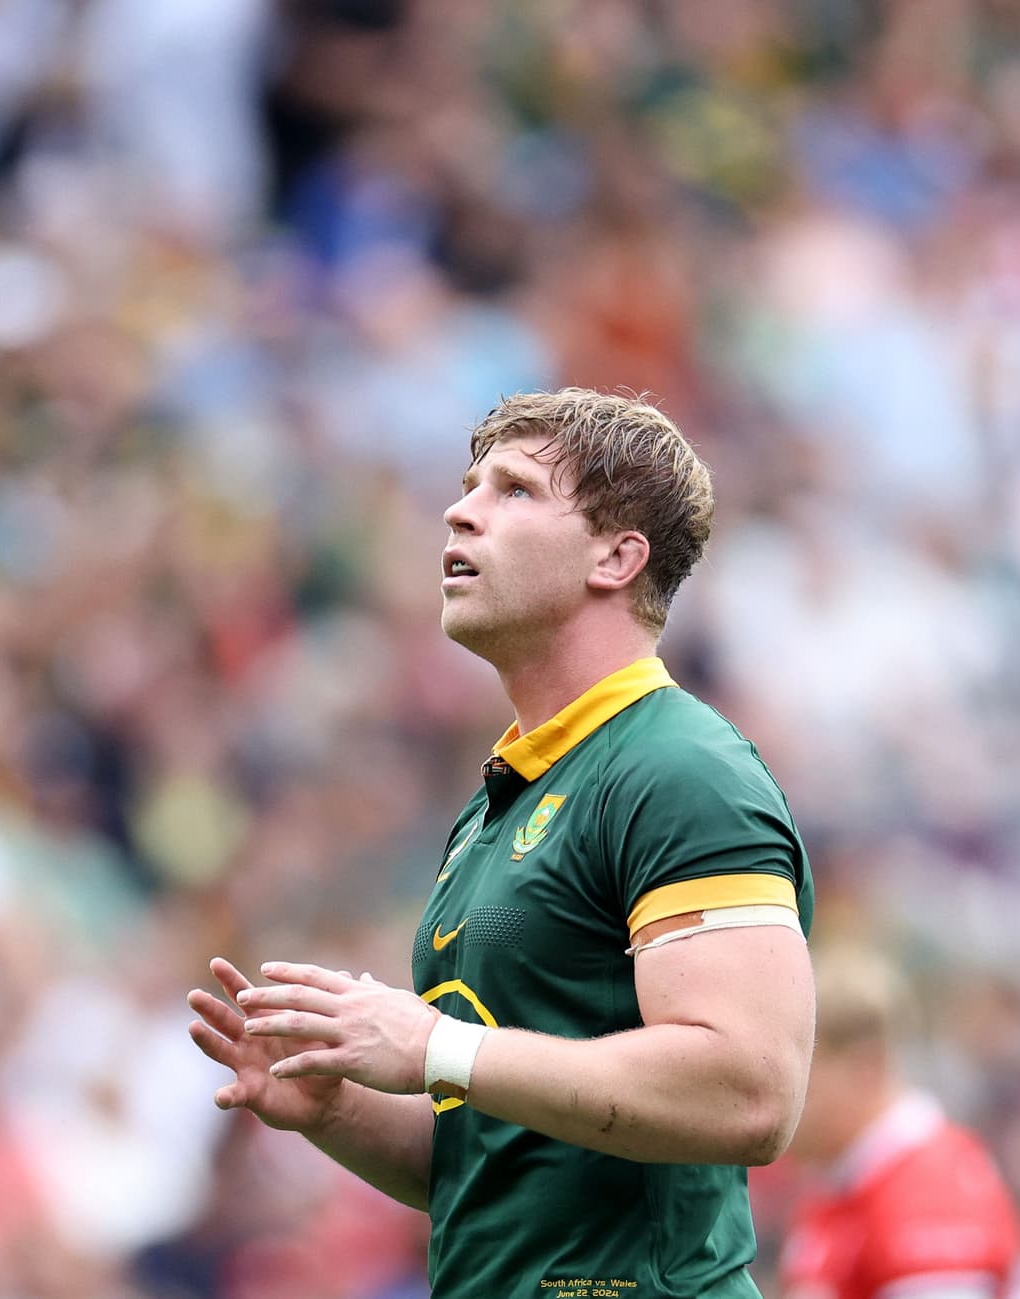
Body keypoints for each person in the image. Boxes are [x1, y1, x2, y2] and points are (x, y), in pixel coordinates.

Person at [187, 388, 817, 1298]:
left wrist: (437, 1045)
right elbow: (499, 1158)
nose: (460, 511)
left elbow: (749, 1090)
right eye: (469, 486)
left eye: (515, 489)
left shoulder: (682, 769)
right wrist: (334, 1109)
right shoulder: (499, 802)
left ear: (616, 556)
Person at [777, 946, 1020, 1299]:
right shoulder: (845, 1177)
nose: (782, 1099)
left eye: (803, 1083)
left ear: (866, 1067)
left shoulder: (933, 1190)